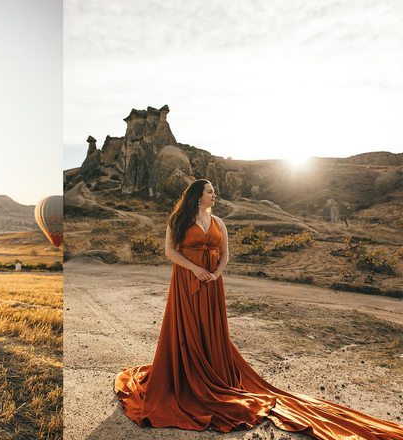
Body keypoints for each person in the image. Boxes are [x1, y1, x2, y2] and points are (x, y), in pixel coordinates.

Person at [114, 179, 403, 440]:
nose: (215, 195)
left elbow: (226, 253)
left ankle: (211, 371)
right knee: (186, 327)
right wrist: (195, 269)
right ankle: (186, 374)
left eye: (214, 191)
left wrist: (215, 273)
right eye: (210, 191)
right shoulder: (178, 219)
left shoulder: (219, 222)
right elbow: (170, 251)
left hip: (212, 283)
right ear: (197, 196)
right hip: (187, 281)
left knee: (210, 329)